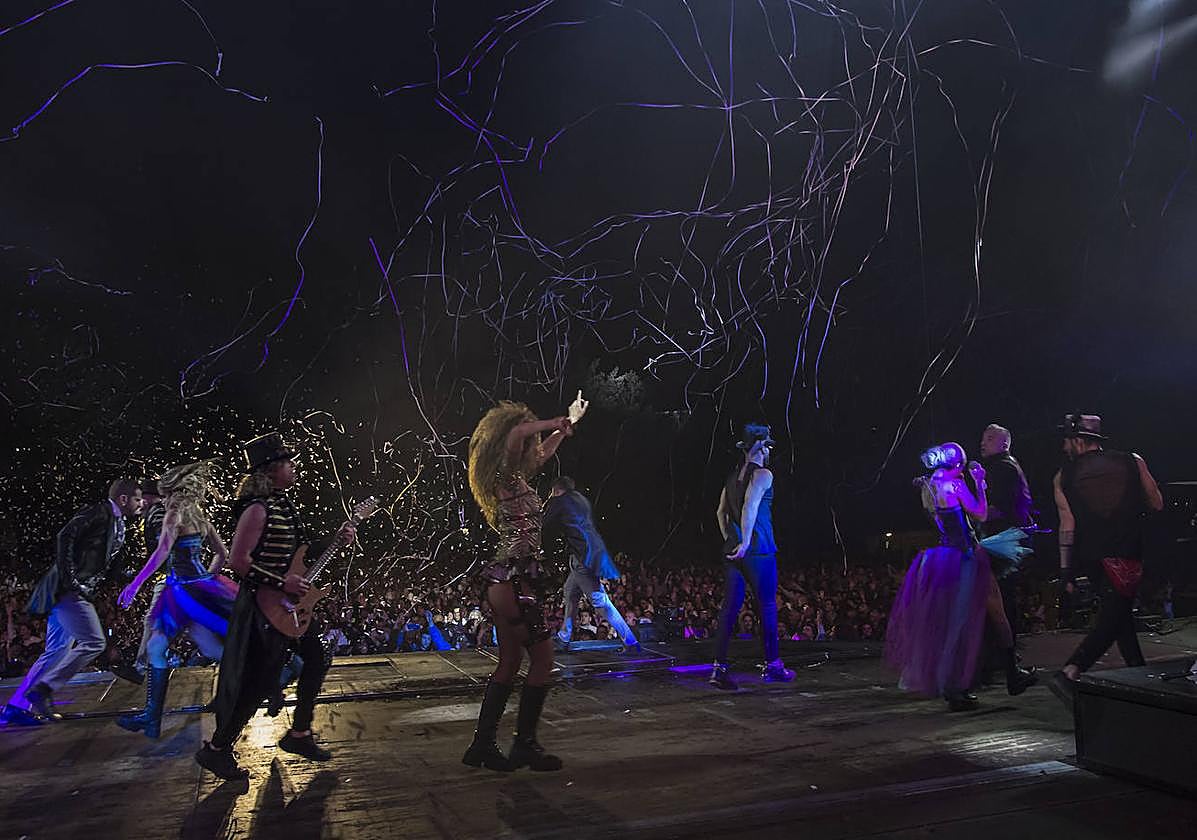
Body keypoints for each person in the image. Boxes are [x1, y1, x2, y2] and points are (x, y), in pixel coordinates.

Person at [194, 433, 356, 780]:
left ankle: (299, 733)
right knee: (257, 682)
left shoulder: (282, 505)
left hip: (287, 608)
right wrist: (282, 583)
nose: (294, 467)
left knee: (317, 657)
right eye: (287, 463)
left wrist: (335, 540)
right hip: (263, 609)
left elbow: (297, 553)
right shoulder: (257, 509)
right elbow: (238, 561)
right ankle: (217, 749)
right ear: (270, 470)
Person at [461, 391, 587, 772]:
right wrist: (551, 422)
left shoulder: (515, 477)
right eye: (530, 435)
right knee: (543, 660)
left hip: (508, 582)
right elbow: (518, 434)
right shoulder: (503, 473)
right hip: (514, 581)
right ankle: (524, 745)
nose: (534, 444)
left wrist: (566, 427)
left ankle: (481, 746)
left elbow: (541, 452)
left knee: (511, 661)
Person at [884, 443, 1036, 711]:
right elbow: (980, 514)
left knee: (952, 623)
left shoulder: (930, 486)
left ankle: (960, 685)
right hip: (967, 556)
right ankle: (1006, 675)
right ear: (957, 465)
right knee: (992, 615)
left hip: (943, 558)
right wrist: (980, 484)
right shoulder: (955, 485)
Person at [1, 479, 144, 725]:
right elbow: (65, 535)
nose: (141, 504)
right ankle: (43, 689)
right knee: (94, 642)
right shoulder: (99, 512)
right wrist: (70, 579)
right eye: (137, 499)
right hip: (69, 591)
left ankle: (16, 706)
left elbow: (105, 562)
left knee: (57, 651)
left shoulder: (118, 522)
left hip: (72, 591)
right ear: (123, 499)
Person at [1048, 414, 1163, 706]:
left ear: (1077, 440)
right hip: (1127, 552)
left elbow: (1067, 526)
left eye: (1066, 441)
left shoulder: (1062, 476)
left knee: (1118, 615)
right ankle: (1071, 670)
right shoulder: (1132, 461)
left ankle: (1138, 671)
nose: (1063, 447)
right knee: (1113, 618)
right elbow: (1156, 502)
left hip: (1093, 558)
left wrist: (1066, 571)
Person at [116, 462, 237, 738]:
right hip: (195, 588)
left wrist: (135, 585)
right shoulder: (200, 516)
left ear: (172, 493)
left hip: (182, 592)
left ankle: (152, 717)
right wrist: (207, 579)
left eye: (165, 494)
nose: (163, 500)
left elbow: (161, 553)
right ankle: (151, 718)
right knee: (209, 649)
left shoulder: (174, 515)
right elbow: (222, 553)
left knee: (160, 648)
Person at [710, 422, 795, 689]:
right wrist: (746, 542)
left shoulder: (732, 477)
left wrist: (732, 540)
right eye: (767, 446)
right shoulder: (763, 474)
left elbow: (720, 512)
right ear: (760, 447)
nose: (769, 451)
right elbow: (750, 506)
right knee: (767, 606)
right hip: (758, 550)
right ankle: (773, 665)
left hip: (734, 550)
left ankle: (719, 668)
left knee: (729, 609)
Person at [544, 476, 639, 652]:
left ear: (556, 490)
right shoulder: (581, 499)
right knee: (570, 592)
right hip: (592, 553)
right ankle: (564, 636)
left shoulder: (560, 501)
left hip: (582, 558)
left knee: (600, 602)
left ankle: (630, 641)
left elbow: (545, 522)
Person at [111, 479, 167, 686]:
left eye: (140, 498)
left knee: (152, 620)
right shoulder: (157, 514)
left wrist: (136, 584)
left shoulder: (156, 514)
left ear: (150, 498)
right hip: (176, 576)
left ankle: (141, 668)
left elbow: (164, 549)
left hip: (174, 577)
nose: (138, 504)